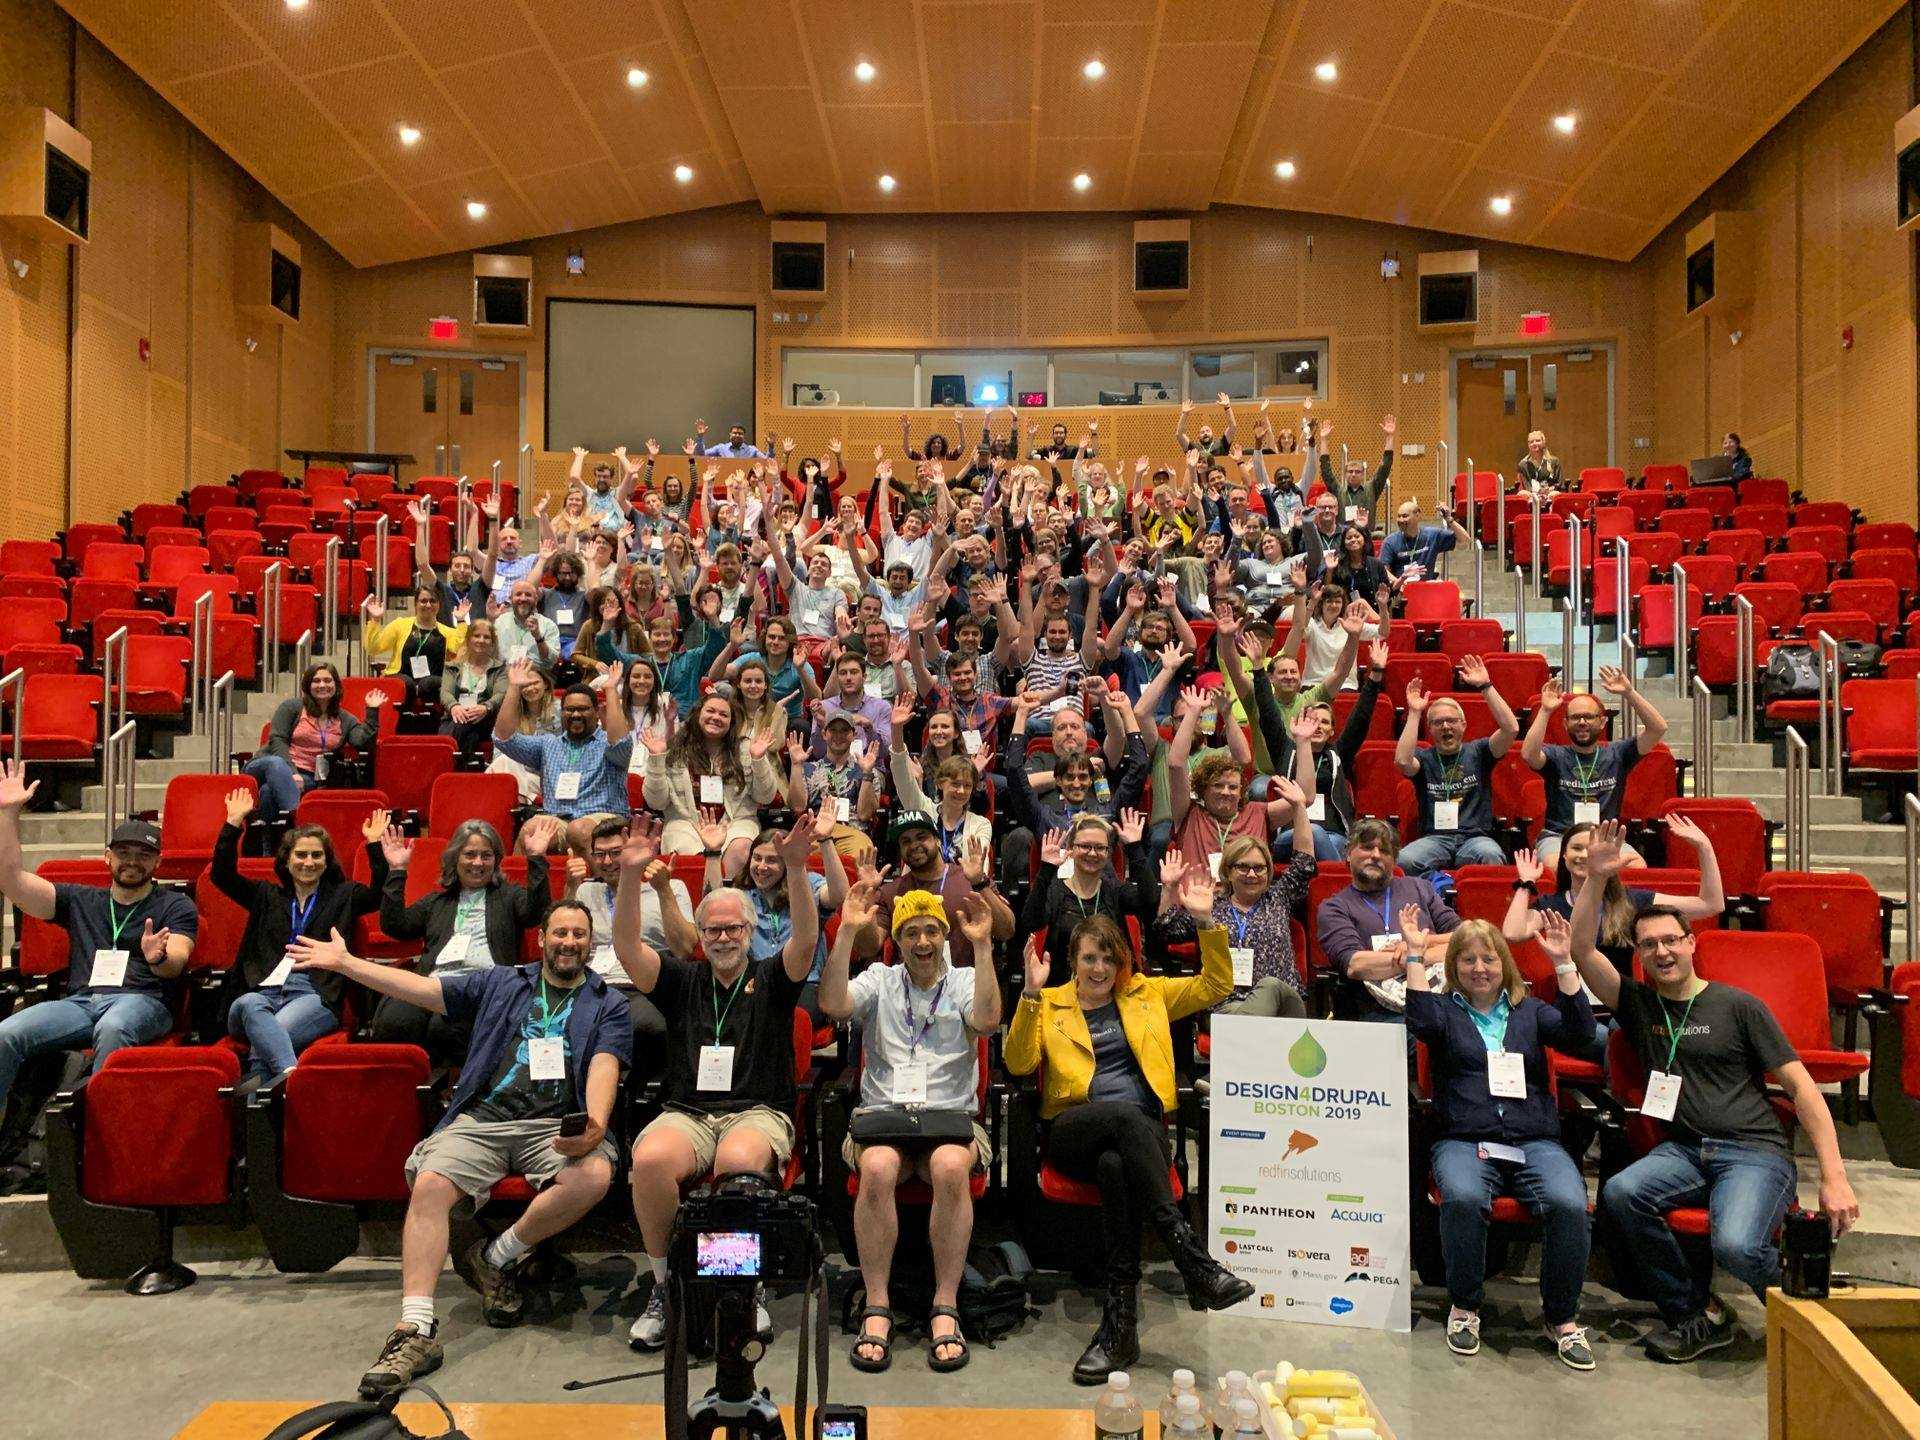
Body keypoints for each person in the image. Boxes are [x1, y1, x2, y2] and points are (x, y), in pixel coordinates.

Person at [291, 904, 629, 1395]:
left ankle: (496, 1255)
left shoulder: (607, 1002)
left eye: (579, 934)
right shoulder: (501, 982)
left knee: (595, 1175)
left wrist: (595, 1125)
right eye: (561, 932)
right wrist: (347, 964)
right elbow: (426, 991)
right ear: (541, 937)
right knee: (429, 1186)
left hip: (551, 1126)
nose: (569, 942)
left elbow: (604, 1065)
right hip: (483, 1118)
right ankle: (415, 1328)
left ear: (590, 944)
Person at [1573, 821, 1859, 1363]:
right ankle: (1696, 1315)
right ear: (1638, 952)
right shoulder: (1638, 1006)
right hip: (1684, 1152)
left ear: (1691, 943)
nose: (1661, 952)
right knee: (1620, 1195)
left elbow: (1801, 1089)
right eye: (1649, 944)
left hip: (1752, 1152)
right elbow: (1583, 947)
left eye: (1671, 941)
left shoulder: (1738, 1006)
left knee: (1736, 1245)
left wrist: (1835, 1176)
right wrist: (1596, 878)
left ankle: (1814, 1324)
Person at [1005, 877, 1252, 1384]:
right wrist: (1030, 995)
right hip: (1072, 1129)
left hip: (1138, 1140)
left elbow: (1216, 986)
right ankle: (1189, 1254)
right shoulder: (1051, 1004)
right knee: (1123, 1116)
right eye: (1090, 959)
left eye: (1109, 959)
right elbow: (1017, 1062)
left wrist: (1206, 922)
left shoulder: (1148, 995)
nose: (1100, 969)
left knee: (1117, 1164)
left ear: (1123, 962)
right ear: (1072, 960)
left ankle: (1120, 1330)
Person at [612, 816, 821, 1350]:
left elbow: (806, 937)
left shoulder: (773, 978)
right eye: (713, 930)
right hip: (690, 1112)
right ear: (700, 937)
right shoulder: (682, 979)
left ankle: (741, 1287)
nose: (724, 937)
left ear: (750, 933)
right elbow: (627, 951)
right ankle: (664, 1285)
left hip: (757, 1112)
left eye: (734, 929)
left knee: (737, 1162)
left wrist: (796, 868)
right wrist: (631, 877)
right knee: (652, 1159)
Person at [1401, 911, 1597, 1370]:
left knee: (1570, 1203)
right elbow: (1421, 1020)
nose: (1478, 968)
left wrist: (1564, 962)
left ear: (1503, 963)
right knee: (1465, 1196)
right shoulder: (1446, 1011)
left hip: (1534, 1139)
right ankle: (1465, 1307)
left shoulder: (1530, 1011)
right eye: (1466, 960)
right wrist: (1413, 952)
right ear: (1454, 967)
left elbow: (1581, 1034)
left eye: (1488, 958)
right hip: (1466, 1139)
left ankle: (1562, 1319)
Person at [821, 884, 1002, 1374]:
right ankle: (877, 1307)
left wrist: (983, 946)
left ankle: (945, 1306)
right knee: (877, 1166)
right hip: (885, 1119)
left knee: (948, 1165)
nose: (922, 942)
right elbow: (834, 1005)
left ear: (945, 935)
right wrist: (845, 935)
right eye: (910, 934)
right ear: (896, 942)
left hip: (951, 1121)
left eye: (931, 931)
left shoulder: (965, 979)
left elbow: (987, 1020)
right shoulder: (880, 978)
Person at [0, 773, 195, 1134]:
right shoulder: (81, 899)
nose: (132, 862)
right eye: (124, 853)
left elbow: (177, 962)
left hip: (144, 1000)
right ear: (108, 856)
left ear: (158, 863)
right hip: (82, 1003)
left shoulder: (175, 905)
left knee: (114, 1025)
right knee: (5, 1034)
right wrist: (9, 814)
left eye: (143, 855)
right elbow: (11, 880)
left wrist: (157, 958)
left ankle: (96, 1139)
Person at [216, 789, 390, 1083]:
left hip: (312, 993)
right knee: (247, 1005)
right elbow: (221, 876)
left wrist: (374, 845)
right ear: (286, 860)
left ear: (326, 861)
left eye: (316, 855)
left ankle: (260, 1092)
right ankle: (293, 1079)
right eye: (301, 854)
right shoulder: (265, 895)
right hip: (262, 990)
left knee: (273, 1030)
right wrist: (233, 824)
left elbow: (380, 892)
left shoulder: (343, 896)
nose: (308, 862)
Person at [370, 817, 560, 1064]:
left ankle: (451, 1091)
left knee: (445, 1028)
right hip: (434, 984)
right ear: (455, 858)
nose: (478, 863)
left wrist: (535, 858)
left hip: (483, 986)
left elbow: (537, 912)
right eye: (470, 854)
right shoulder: (438, 901)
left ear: (496, 860)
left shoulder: (508, 896)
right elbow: (395, 925)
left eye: (486, 855)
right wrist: (397, 871)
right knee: (394, 1021)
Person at [1503, 815, 1724, 975]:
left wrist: (1704, 847)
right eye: (1576, 848)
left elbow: (1710, 904)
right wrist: (1526, 883)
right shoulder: (1552, 905)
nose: (1584, 855)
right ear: (1563, 856)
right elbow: (1513, 933)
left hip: (1620, 1004)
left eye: (1592, 848)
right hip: (1574, 1004)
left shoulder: (1631, 901)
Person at [1315, 819, 1460, 1020]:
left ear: (1394, 860)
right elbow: (1356, 964)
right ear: (1348, 854)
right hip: (1377, 1008)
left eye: (1384, 851)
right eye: (1367, 848)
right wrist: (1415, 958)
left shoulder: (1420, 888)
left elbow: (1465, 938)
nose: (1375, 855)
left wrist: (1418, 949)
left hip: (1439, 998)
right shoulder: (1334, 908)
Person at [1521, 670, 1669, 864]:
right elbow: (1528, 754)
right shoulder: (1556, 755)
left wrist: (1629, 693)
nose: (1582, 722)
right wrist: (1545, 710)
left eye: (1589, 717)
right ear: (1565, 724)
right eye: (1575, 718)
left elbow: (1658, 728)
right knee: (1555, 865)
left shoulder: (1618, 754)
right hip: (1559, 837)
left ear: (1602, 722)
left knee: (1636, 866)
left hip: (1606, 837)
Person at [492, 659, 633, 858]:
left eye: (583, 709)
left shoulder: (606, 742)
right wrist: (514, 687)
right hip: (559, 820)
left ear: (596, 711)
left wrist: (610, 689)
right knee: (529, 831)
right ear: (562, 712)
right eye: (569, 709)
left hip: (605, 821)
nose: (575, 714)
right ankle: (520, 888)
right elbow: (503, 738)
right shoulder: (548, 744)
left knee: (579, 830)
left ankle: (600, 886)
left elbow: (620, 743)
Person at [566, 816, 684, 1054]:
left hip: (644, 986)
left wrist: (664, 891)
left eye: (616, 852)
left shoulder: (670, 886)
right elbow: (560, 943)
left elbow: (685, 949)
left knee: (640, 1025)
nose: (607, 861)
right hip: (594, 986)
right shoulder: (585, 891)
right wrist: (570, 887)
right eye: (599, 854)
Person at [1393, 660, 1518, 874]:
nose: (1445, 727)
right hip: (1435, 838)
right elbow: (1403, 761)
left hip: (1475, 838)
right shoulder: (1424, 758)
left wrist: (1486, 687)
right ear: (1430, 729)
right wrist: (1415, 712)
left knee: (1492, 856)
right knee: (1404, 860)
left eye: (1451, 721)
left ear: (1463, 725)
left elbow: (1511, 729)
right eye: (1438, 722)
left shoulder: (1479, 752)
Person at [642, 687, 784, 875]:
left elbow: (765, 797)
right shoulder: (674, 748)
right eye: (710, 711)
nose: (716, 717)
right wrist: (656, 759)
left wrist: (758, 759)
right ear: (698, 714)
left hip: (737, 821)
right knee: (687, 850)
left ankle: (729, 900)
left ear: (731, 722)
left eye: (724, 714)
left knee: (741, 849)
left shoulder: (746, 748)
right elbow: (656, 802)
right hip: (685, 822)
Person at [1207, 786, 1316, 1019]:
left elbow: (1304, 862)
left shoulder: (1279, 897)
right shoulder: (1212, 908)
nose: (1252, 874)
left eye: (1259, 868)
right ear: (1228, 870)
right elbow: (1167, 929)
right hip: (1229, 1005)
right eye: (1243, 867)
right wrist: (1170, 888)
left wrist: (1299, 807)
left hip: (1284, 1006)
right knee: (1245, 1016)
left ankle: (1247, 1043)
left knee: (1270, 986)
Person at [1020, 811, 1157, 987]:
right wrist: (1046, 869)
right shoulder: (1055, 891)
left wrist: (1134, 848)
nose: (1092, 853)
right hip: (1063, 991)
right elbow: (1031, 921)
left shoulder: (1114, 890)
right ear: (1071, 849)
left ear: (1108, 854)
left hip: (1112, 990)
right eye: (1085, 846)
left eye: (1100, 848)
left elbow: (1150, 899)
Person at [243, 662, 383, 824]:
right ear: (308, 685)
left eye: (327, 680)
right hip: (266, 765)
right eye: (316, 681)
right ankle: (299, 824)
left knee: (268, 792)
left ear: (336, 685)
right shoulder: (291, 707)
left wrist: (372, 711)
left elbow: (362, 742)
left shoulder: (344, 719)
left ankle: (268, 845)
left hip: (308, 776)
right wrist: (291, 773)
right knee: (276, 764)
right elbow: (277, 741)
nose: (322, 685)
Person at [440, 617, 508, 763]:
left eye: (486, 637)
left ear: (492, 642)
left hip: (486, 719)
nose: (481, 640)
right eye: (477, 635)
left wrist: (486, 707)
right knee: (462, 726)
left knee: (458, 728)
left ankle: (453, 769)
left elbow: (500, 694)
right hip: (456, 717)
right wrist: (454, 707)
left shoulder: (500, 667)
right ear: (468, 639)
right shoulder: (452, 666)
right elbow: (445, 693)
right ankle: (469, 766)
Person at [1314, 414, 1395, 529]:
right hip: (1343, 538)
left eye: (1357, 472)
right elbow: (1326, 470)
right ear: (1345, 474)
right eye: (1350, 471)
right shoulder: (1338, 490)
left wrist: (1390, 437)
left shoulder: (1372, 488)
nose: (1353, 474)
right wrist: (1324, 440)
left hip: (1366, 537)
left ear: (1363, 474)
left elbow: (1385, 467)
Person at [1380, 501, 1472, 583]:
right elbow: (1384, 571)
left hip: (1426, 590)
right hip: (1401, 592)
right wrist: (1399, 583)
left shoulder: (1432, 535)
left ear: (1417, 516)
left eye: (1405, 516)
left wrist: (1449, 519)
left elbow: (1465, 539)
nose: (1400, 520)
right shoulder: (1390, 541)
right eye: (1398, 516)